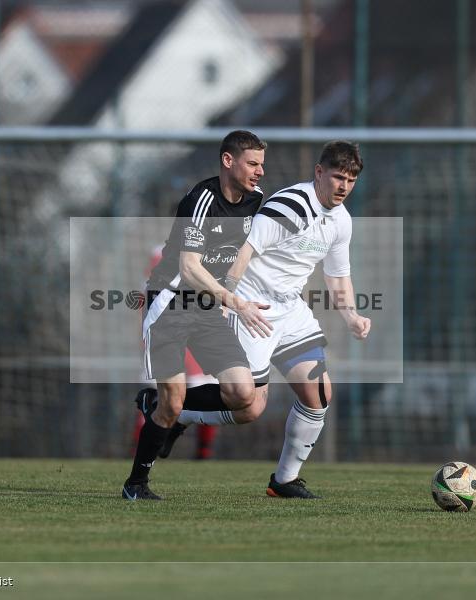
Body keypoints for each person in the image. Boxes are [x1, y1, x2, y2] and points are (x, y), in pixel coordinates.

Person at [161, 141, 370, 499]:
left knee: (319, 393)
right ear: (319, 172)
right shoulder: (289, 206)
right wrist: (230, 300)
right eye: (337, 177)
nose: (343, 187)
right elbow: (244, 251)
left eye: (350, 180)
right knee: (248, 407)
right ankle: (176, 411)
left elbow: (338, 275)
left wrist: (351, 314)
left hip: (291, 311)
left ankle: (284, 480)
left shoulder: (341, 220)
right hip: (253, 306)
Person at [123, 130, 269, 500]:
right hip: (169, 304)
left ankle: (160, 407)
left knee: (242, 394)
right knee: (172, 402)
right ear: (228, 161)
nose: (259, 172)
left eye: (261, 164)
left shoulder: (256, 201)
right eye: (252, 163)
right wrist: (234, 302)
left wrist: (229, 292)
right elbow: (188, 268)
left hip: (206, 307)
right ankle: (135, 484)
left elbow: (242, 253)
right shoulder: (201, 199)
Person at [131, 245, 220, 460]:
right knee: (162, 395)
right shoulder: (161, 252)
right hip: (168, 328)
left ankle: (203, 452)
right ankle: (142, 451)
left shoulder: (214, 249)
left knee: (205, 391)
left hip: (197, 332)